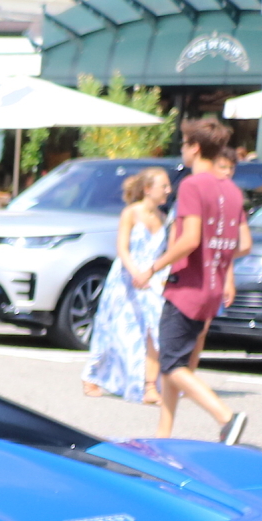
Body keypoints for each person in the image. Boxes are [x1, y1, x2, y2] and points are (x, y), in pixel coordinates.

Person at [137, 118, 251, 444]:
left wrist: (153, 268)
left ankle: (227, 417)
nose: (182, 150)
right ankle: (164, 433)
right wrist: (220, 259)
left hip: (186, 287)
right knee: (178, 361)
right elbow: (244, 244)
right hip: (211, 289)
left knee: (171, 364)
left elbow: (189, 240)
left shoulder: (192, 185)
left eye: (185, 144)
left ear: (196, 147)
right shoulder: (231, 190)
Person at [83, 167, 170, 405]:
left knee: (153, 331)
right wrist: (136, 272)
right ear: (147, 189)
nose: (168, 191)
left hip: (151, 281)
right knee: (116, 330)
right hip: (126, 277)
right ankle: (94, 374)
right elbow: (122, 248)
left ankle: (149, 385)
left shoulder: (162, 218)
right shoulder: (131, 213)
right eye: (164, 186)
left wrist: (154, 276)